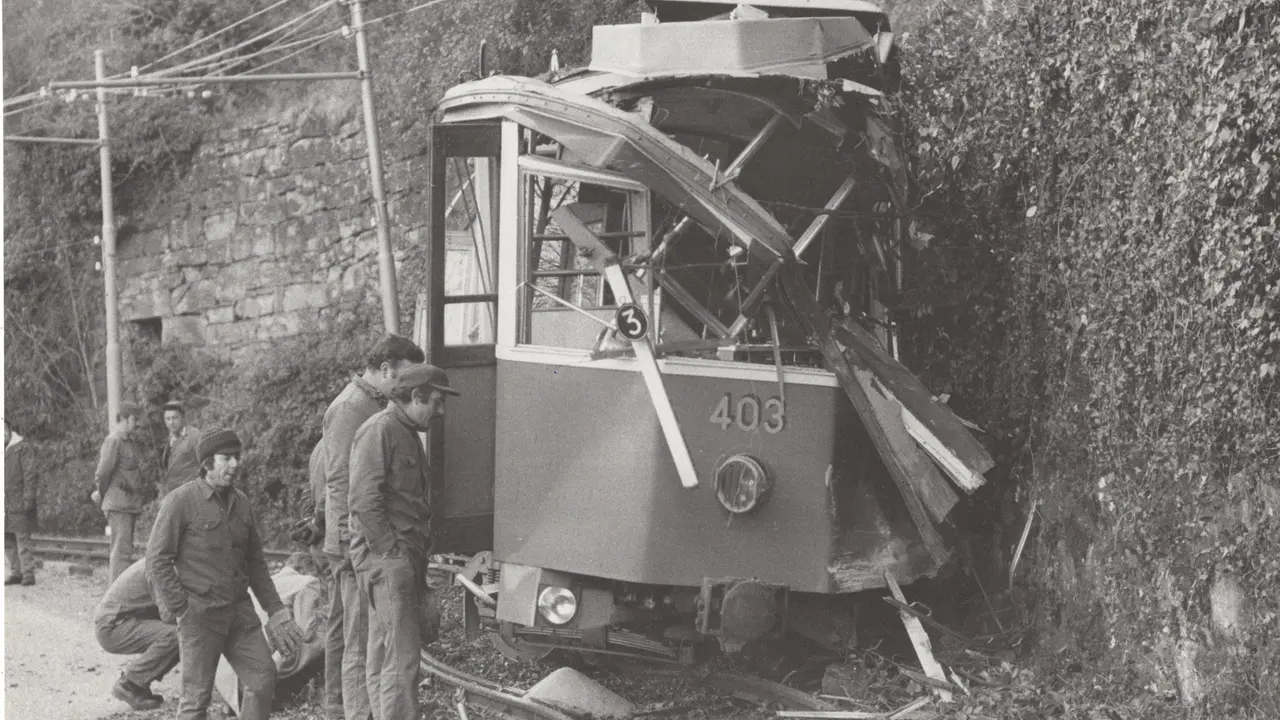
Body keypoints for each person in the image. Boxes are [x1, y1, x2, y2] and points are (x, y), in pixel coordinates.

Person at [146, 427, 303, 720]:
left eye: (237, 457)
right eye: (226, 458)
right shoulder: (180, 502)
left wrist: (276, 610)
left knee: (262, 678)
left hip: (239, 614)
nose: (234, 464)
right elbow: (157, 560)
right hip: (201, 617)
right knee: (196, 701)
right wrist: (182, 609)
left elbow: (255, 563)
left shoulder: (241, 502)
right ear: (207, 463)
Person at [320, 335, 424, 720]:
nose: (406, 385)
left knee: (373, 640)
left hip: (362, 540)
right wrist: (350, 546)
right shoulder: (351, 408)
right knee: (361, 640)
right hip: (355, 543)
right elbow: (341, 482)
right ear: (384, 369)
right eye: (404, 376)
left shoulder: (372, 405)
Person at [350, 363, 457, 720]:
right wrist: (392, 555)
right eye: (436, 403)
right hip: (388, 559)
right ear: (416, 396)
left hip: (398, 557)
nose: (440, 412)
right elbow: (363, 501)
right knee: (403, 658)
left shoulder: (404, 431)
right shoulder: (380, 430)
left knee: (385, 654)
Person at [94, 558, 180, 711]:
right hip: (114, 625)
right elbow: (169, 615)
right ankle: (130, 684)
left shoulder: (165, 560)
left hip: (124, 619)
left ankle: (139, 686)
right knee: (178, 635)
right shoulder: (162, 565)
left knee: (182, 633)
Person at [92, 402, 145, 581]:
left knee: (124, 552)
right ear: (123, 419)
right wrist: (102, 493)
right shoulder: (114, 441)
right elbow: (103, 472)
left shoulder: (129, 442)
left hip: (127, 504)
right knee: (121, 554)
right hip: (118, 504)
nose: (136, 423)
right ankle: (115, 594)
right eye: (134, 419)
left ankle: (119, 592)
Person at [5, 419, 38, 586]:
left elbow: (30, 475)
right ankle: (15, 572)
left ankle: (28, 573)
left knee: (22, 538)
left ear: (9, 430)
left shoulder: (22, 448)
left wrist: (28, 499)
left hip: (18, 500)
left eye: (3, 430)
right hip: (5, 503)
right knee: (7, 539)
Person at [161, 400, 202, 495]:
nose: (171, 422)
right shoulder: (170, 438)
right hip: (174, 495)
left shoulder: (195, 436)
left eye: (175, 418)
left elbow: (206, 465)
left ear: (183, 417)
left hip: (191, 493)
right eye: (168, 419)